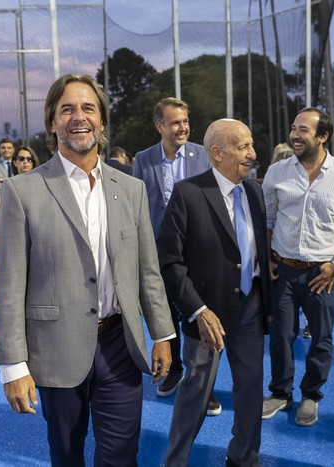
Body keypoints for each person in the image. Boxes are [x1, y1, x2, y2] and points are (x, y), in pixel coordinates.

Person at [0, 73, 174, 466]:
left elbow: (148, 271)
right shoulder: (21, 192)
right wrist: (12, 366)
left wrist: (162, 334)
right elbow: (7, 288)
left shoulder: (131, 189)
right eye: (67, 109)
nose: (79, 117)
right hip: (55, 349)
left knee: (122, 454)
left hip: (121, 346)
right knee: (66, 454)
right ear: (52, 122)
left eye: (88, 108)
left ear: (102, 121)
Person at [158, 118, 269, 466]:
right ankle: (175, 461)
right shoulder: (188, 193)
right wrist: (197, 310)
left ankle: (243, 458)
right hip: (207, 314)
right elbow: (171, 262)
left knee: (250, 390)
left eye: (251, 145)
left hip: (251, 307)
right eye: (243, 147)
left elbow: (253, 249)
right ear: (217, 153)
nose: (252, 154)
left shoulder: (254, 191)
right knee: (196, 391)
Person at [261, 107, 334, 426]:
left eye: (303, 130)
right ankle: (281, 394)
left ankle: (311, 396)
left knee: (322, 338)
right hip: (282, 269)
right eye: (294, 128)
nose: (295, 135)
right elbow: (268, 219)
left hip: (322, 273)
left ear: (323, 136)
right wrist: (268, 258)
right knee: (280, 335)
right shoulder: (277, 172)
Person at [133, 97, 213, 405]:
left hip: (196, 254)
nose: (183, 128)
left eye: (185, 122)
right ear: (160, 126)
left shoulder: (204, 156)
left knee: (196, 317)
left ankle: (201, 386)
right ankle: (175, 369)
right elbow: (137, 206)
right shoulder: (143, 159)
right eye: (175, 122)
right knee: (165, 315)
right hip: (158, 254)